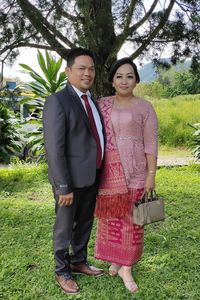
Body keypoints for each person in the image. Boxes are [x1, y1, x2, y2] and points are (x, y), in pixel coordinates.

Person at [43, 47, 104, 295]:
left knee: (85, 223)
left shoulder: (92, 100)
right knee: (64, 226)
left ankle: (78, 261)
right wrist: (63, 186)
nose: (87, 73)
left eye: (91, 69)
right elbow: (54, 149)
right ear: (68, 71)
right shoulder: (58, 101)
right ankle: (62, 270)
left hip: (92, 175)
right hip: (69, 181)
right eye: (81, 68)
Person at [94, 57, 158, 293]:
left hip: (136, 172)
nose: (124, 81)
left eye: (129, 76)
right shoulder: (102, 105)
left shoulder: (145, 107)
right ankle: (115, 259)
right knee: (112, 221)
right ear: (112, 80)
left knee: (132, 223)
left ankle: (127, 267)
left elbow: (151, 144)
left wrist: (151, 174)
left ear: (136, 80)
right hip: (109, 176)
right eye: (119, 76)